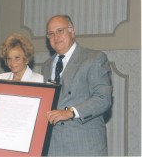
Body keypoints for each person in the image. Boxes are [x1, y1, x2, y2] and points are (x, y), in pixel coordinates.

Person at [42, 15, 112, 156]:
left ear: (72, 31)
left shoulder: (94, 58)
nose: (56, 37)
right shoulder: (46, 65)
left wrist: (71, 112)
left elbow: (103, 99)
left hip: (84, 146)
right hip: (53, 147)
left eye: (60, 31)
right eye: (51, 34)